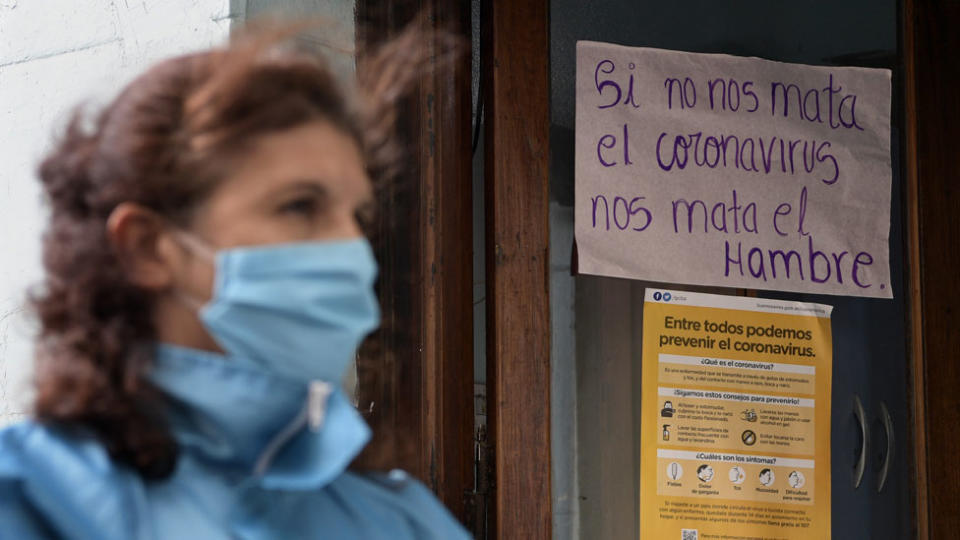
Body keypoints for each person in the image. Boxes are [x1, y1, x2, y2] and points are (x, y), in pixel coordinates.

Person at [0, 17, 469, 540]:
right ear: (148, 247)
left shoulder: (404, 520)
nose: (353, 250)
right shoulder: (29, 499)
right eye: (300, 206)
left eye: (358, 217)